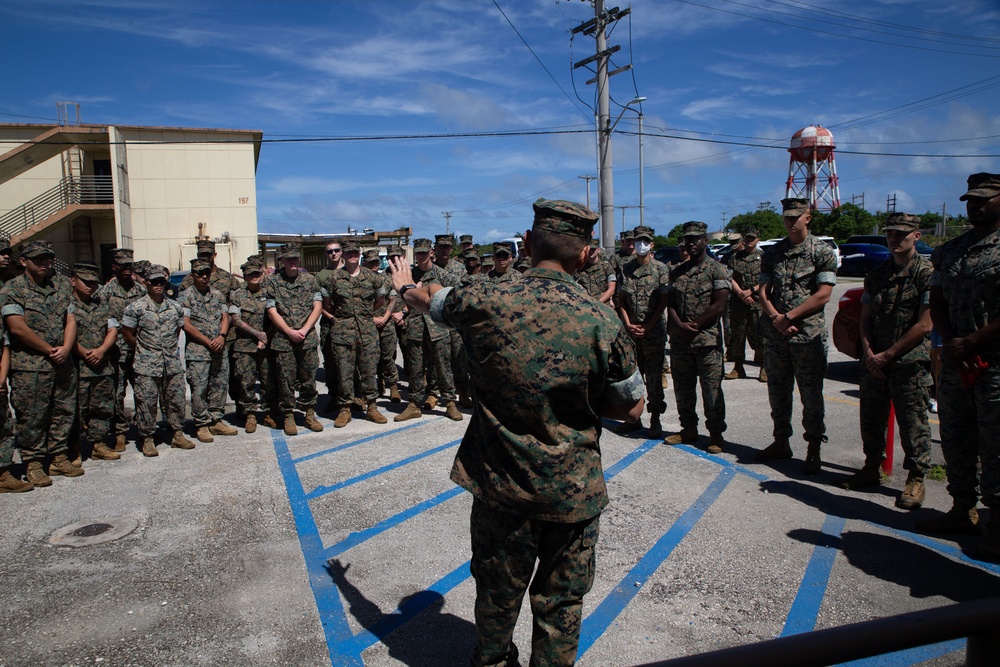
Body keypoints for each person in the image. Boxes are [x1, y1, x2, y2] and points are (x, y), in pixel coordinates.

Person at [388, 198, 644, 667]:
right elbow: (632, 407)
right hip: (572, 495)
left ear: (526, 244)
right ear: (585, 255)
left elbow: (430, 301)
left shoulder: (483, 300)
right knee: (561, 604)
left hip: (501, 489)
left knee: (496, 594)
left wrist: (406, 286)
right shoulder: (602, 319)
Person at [918, 173, 1000, 561]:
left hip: (994, 360)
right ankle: (961, 508)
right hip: (956, 359)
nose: (975, 206)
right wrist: (953, 341)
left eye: (984, 199)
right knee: (956, 436)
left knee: (996, 444)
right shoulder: (949, 251)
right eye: (970, 200)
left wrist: (973, 341)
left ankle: (998, 523)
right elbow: (936, 299)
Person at [841, 213, 933, 508]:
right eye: (891, 233)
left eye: (901, 234)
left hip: (908, 362)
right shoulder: (878, 274)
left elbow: (925, 324)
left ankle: (915, 479)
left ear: (916, 236)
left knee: (913, 422)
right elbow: (865, 319)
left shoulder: (925, 273)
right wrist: (869, 353)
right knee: (871, 417)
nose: (894, 239)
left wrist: (888, 355)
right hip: (875, 361)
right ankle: (871, 467)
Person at [755, 198, 837, 474]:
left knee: (811, 394)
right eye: (787, 217)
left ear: (808, 217)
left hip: (807, 336)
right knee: (778, 391)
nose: (790, 221)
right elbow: (763, 291)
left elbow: (823, 294)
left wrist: (790, 317)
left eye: (796, 216)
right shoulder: (773, 252)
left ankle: (814, 447)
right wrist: (777, 318)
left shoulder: (821, 251)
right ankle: (781, 441)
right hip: (778, 334)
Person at [0, 240, 81, 486]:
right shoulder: (12, 290)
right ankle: (33, 462)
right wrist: (49, 350)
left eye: (48, 258)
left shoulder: (60, 287)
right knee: (32, 415)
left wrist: (66, 348)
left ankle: (58, 456)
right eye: (39, 259)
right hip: (31, 366)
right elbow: (17, 328)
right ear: (24, 261)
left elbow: (71, 319)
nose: (45, 263)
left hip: (62, 363)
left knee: (63, 411)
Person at [664, 221, 730, 452]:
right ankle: (688, 429)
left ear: (705, 241)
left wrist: (697, 324)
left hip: (707, 341)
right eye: (687, 240)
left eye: (696, 239)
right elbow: (670, 304)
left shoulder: (717, 269)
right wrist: (680, 325)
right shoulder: (677, 272)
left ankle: (715, 435)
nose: (691, 243)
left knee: (711, 390)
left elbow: (719, 303)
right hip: (681, 341)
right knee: (683, 389)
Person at [120, 264, 197, 456]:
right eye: (154, 281)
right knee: (146, 402)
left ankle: (177, 433)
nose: (158, 285)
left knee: (176, 399)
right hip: (147, 364)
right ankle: (147, 438)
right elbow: (127, 333)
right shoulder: (135, 308)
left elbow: (177, 330)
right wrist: (142, 349)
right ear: (146, 283)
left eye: (162, 281)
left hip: (171, 363)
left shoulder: (175, 307)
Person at [394, 238, 462, 422]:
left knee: (443, 367)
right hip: (415, 328)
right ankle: (414, 404)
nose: (421, 256)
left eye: (425, 252)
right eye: (418, 253)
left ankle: (449, 403)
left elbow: (458, 293)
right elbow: (402, 299)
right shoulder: (410, 275)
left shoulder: (443, 275)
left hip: (438, 329)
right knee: (415, 369)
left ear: (431, 252)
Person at [320, 241, 387, 428]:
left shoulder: (372, 277)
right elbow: (326, 305)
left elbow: (380, 300)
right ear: (343, 255)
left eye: (355, 252)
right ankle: (345, 409)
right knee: (344, 372)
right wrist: (343, 317)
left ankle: (372, 407)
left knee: (368, 371)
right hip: (342, 331)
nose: (352, 256)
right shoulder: (332, 279)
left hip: (367, 331)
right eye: (349, 253)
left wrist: (365, 315)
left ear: (360, 254)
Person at [615, 225, 670, 438]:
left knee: (654, 378)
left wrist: (648, 325)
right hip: (631, 331)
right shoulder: (625, 269)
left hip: (653, 331)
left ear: (652, 244)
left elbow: (664, 300)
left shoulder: (660, 269)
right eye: (638, 241)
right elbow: (621, 300)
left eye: (645, 241)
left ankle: (655, 419)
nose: (641, 245)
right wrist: (627, 324)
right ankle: (634, 419)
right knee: (632, 377)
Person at [265, 242, 324, 435]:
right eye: (288, 258)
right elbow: (272, 311)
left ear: (299, 259)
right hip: (284, 340)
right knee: (285, 379)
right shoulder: (273, 282)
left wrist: (305, 329)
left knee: (308, 378)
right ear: (281, 260)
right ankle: (289, 416)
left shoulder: (310, 280)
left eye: (295, 258)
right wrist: (289, 331)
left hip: (307, 339)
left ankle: (309, 414)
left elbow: (317, 306)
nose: (292, 261)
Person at [180, 257, 237, 443]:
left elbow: (225, 317)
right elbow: (186, 325)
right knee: (199, 387)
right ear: (193, 275)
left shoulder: (218, 295)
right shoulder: (186, 296)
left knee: (219, 385)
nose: (204, 276)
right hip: (198, 351)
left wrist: (221, 336)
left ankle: (216, 419)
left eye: (206, 273)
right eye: (199, 273)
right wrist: (206, 340)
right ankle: (201, 423)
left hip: (219, 348)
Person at [95, 247, 146, 451]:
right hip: (116, 352)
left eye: (130, 266)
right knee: (117, 394)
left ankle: (144, 431)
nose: (127, 269)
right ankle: (120, 433)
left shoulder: (141, 290)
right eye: (123, 266)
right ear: (114, 267)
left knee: (143, 392)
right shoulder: (105, 292)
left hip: (138, 350)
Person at [71, 260, 121, 462]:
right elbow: (64, 336)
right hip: (77, 367)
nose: (90, 286)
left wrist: (101, 351)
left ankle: (99, 445)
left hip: (101, 367)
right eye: (85, 281)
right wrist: (84, 353)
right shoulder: (66, 306)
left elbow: (113, 329)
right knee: (75, 410)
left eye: (93, 282)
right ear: (73, 281)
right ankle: (73, 449)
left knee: (101, 408)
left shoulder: (102, 305)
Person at [229, 259, 278, 433]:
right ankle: (250, 414)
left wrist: (265, 337)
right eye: (250, 275)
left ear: (262, 273)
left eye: (257, 273)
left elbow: (276, 317)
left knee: (268, 381)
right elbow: (236, 320)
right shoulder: (237, 294)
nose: (254, 277)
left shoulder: (270, 291)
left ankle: (268, 413)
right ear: (245, 276)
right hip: (244, 345)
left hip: (266, 345)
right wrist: (256, 334)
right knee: (245, 381)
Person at [433, 234, 472, 408]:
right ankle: (437, 393)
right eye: (441, 247)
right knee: (438, 361)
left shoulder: (459, 268)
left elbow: (466, 290)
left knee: (459, 360)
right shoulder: (430, 269)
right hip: (436, 321)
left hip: (455, 321)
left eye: (447, 247)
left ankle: (463, 392)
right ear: (435, 248)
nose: (444, 250)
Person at [724, 228, 766, 382]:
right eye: (747, 238)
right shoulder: (735, 257)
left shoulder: (763, 258)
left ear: (758, 240)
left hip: (757, 304)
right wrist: (741, 293)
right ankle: (738, 367)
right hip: (738, 304)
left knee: (760, 337)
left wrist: (751, 291)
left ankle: (764, 367)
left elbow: (767, 280)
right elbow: (729, 277)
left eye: (752, 239)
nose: (749, 241)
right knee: (738, 337)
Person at [363, 248, 402, 403]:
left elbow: (392, 301)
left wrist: (384, 318)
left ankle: (393, 386)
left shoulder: (386, 279)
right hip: (367, 324)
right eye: (371, 262)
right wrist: (373, 319)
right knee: (369, 358)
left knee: (388, 356)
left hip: (386, 323)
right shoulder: (360, 281)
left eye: (376, 262)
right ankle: (373, 387)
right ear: (364, 263)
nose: (374, 265)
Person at [317, 239, 345, 412]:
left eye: (336, 250)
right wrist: (332, 317)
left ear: (341, 251)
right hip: (330, 323)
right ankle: (334, 396)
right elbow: (318, 303)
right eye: (329, 251)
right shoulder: (321, 276)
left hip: (350, 323)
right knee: (331, 362)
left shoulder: (352, 270)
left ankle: (355, 396)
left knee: (353, 362)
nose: (333, 253)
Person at [576, 239, 616, 304]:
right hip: (585, 305)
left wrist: (598, 303)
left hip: (603, 305)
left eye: (593, 249)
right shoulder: (580, 267)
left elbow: (611, 290)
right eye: (589, 249)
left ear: (598, 250)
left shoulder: (606, 267)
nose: (591, 252)